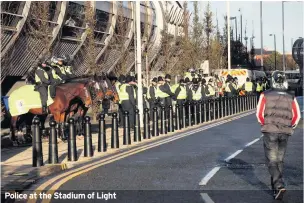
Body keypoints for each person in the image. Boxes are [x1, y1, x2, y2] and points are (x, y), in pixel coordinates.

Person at [256, 71, 301, 200]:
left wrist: (265, 124)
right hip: (285, 132)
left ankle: (279, 185)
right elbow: (297, 115)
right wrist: (290, 125)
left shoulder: (265, 95)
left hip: (270, 131)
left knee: (271, 161)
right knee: (279, 160)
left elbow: (259, 114)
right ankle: (277, 190)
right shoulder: (291, 95)